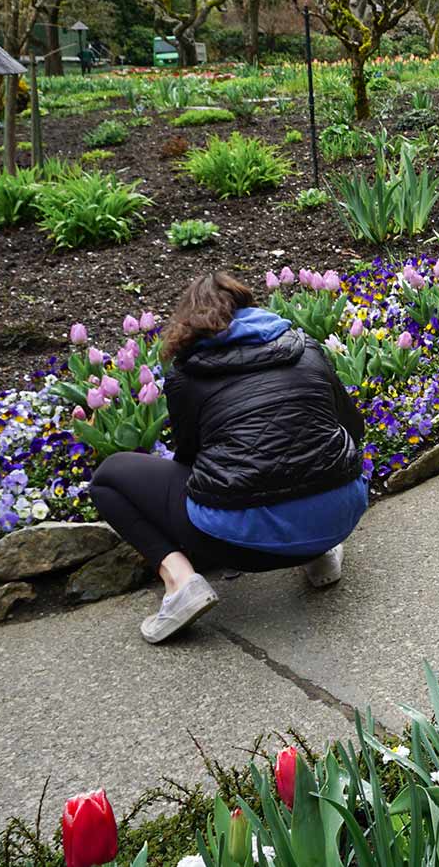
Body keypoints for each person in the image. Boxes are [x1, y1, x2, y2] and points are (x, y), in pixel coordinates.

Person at [89, 271, 368, 643]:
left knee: (109, 477)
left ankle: (180, 582)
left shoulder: (187, 373)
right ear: (249, 305)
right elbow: (352, 426)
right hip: (339, 517)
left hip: (237, 548)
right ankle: (319, 554)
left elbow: (189, 459)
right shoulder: (306, 349)